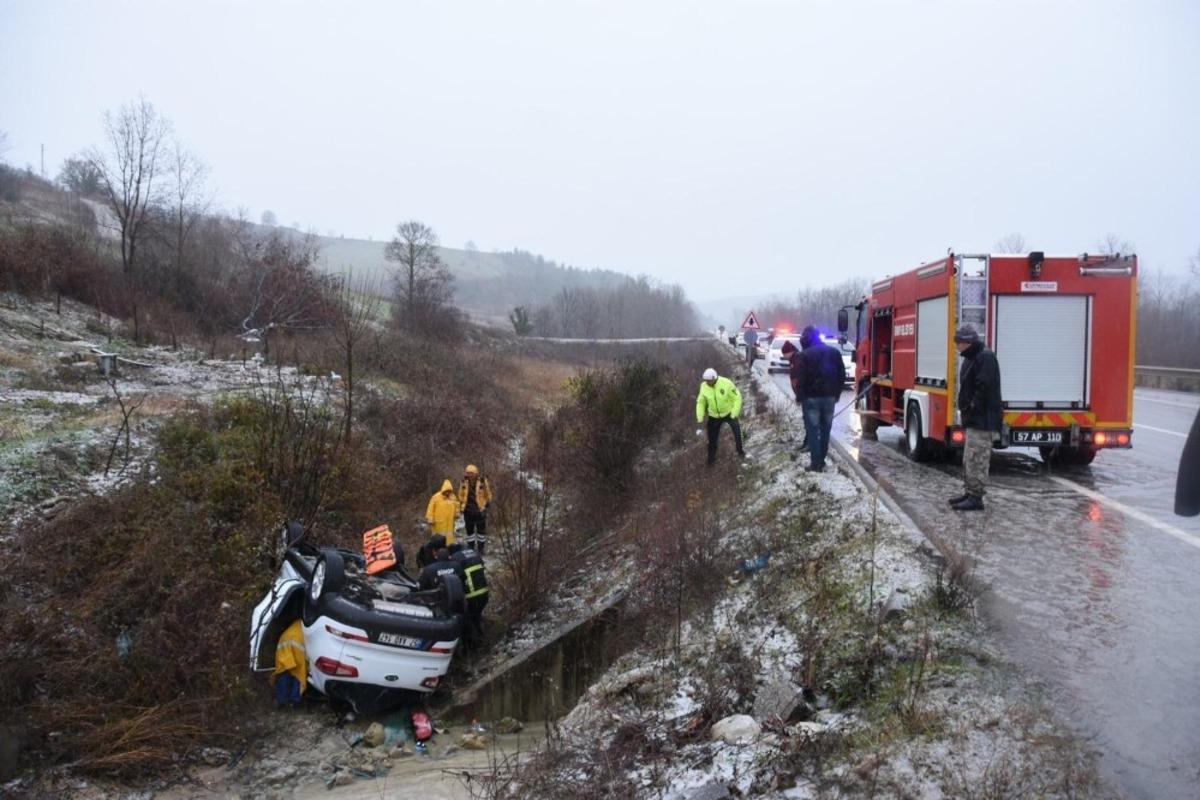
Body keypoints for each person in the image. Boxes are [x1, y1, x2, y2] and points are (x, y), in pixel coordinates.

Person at [949, 325, 1001, 511]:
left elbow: (983, 388)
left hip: (982, 420)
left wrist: (972, 407)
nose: (957, 347)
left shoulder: (985, 358)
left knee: (977, 457)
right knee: (969, 457)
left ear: (968, 342)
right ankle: (969, 492)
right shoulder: (972, 357)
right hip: (974, 420)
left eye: (959, 343)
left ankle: (976, 498)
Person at [794, 325, 845, 472]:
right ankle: (821, 460)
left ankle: (815, 463)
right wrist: (837, 394)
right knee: (825, 430)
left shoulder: (803, 355)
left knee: (813, 430)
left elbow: (800, 378)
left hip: (811, 398)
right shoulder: (834, 352)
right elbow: (841, 375)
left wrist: (800, 396)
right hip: (829, 397)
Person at [696, 367, 746, 466]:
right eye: (706, 381)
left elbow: (737, 397)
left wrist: (734, 413)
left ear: (714, 378)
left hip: (728, 413)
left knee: (737, 433)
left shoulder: (726, 383)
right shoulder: (704, 386)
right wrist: (700, 416)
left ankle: (740, 452)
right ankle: (711, 462)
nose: (707, 382)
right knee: (712, 440)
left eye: (709, 381)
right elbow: (701, 402)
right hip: (713, 416)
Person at [450, 543, 489, 648]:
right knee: (476, 616)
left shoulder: (455, 559)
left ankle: (473, 645)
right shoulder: (474, 553)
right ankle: (481, 640)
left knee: (470, 620)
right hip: (484, 591)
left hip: (472, 595)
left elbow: (456, 577)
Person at [457, 465, 494, 554]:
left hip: (480, 510)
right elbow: (460, 494)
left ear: (476, 473)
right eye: (468, 473)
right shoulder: (463, 482)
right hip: (468, 510)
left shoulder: (482, 481)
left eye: (471, 473)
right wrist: (462, 504)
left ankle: (481, 549)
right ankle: (471, 547)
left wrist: (487, 503)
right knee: (470, 531)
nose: (470, 475)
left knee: (481, 531)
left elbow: (488, 493)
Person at [782, 339, 808, 452]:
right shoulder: (795, 359)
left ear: (789, 351)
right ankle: (807, 443)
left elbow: (800, 380)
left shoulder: (797, 359)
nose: (784, 356)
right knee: (807, 420)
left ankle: (809, 444)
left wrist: (800, 397)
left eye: (784, 354)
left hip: (805, 396)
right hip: (803, 395)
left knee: (808, 421)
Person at [425, 479, 462, 545]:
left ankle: (448, 549)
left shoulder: (453, 497)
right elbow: (430, 508)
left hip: (450, 523)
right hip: (438, 523)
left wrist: (457, 514)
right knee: (438, 540)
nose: (448, 493)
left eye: (449, 491)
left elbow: (457, 506)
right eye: (447, 491)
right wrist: (430, 518)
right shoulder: (436, 497)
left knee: (449, 539)